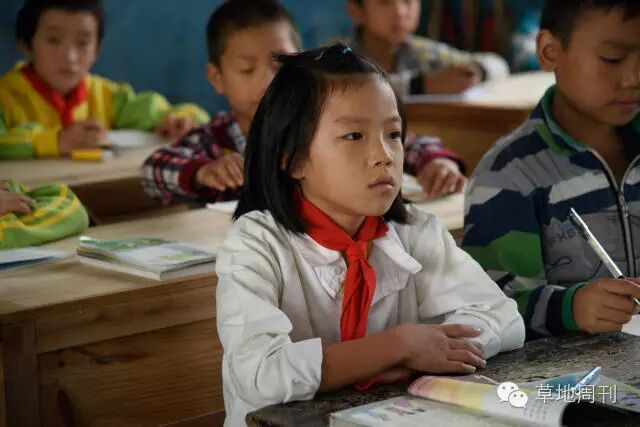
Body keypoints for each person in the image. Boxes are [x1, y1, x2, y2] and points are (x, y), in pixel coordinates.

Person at [215, 44, 525, 426]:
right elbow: (261, 376)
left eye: (393, 134)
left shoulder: (415, 232)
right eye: (354, 136)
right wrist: (397, 347)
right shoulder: (255, 244)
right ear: (293, 159)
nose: (385, 155)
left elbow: (503, 318)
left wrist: (429, 350)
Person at [463, 0, 640, 340]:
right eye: (612, 59)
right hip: (576, 370)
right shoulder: (509, 177)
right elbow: (489, 310)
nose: (634, 78)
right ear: (549, 51)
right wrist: (570, 309)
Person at [0, 0, 208, 160]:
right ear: (26, 45)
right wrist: (56, 141)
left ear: (96, 51)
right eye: (53, 40)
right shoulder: (5, 96)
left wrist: (182, 121)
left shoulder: (107, 95)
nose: (70, 57)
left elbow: (168, 113)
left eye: (83, 43)